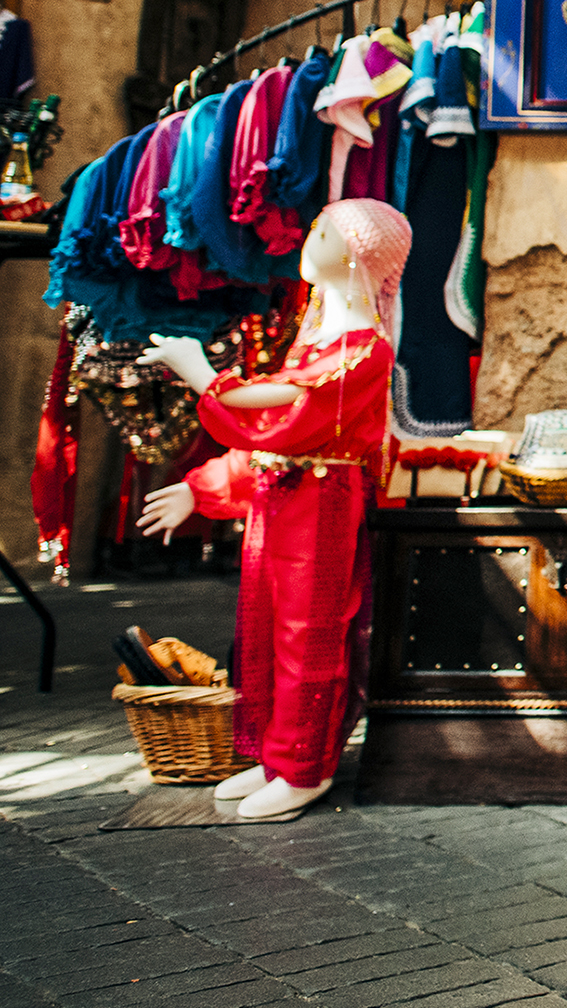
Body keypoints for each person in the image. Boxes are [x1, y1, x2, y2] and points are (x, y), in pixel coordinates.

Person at [138, 198, 412, 820]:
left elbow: (284, 414)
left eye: (319, 229)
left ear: (351, 251)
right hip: (281, 501)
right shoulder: (316, 344)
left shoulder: (366, 350)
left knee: (308, 633)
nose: (306, 237)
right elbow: (273, 426)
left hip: (322, 507)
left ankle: (304, 764)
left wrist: (203, 375)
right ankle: (275, 752)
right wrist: (203, 488)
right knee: (263, 629)